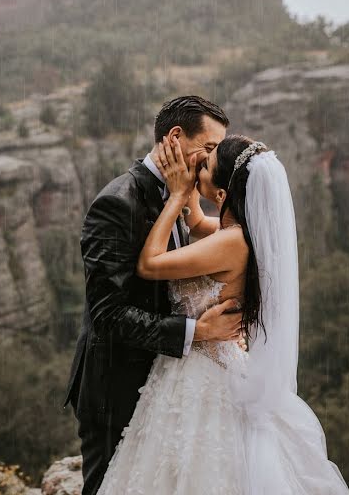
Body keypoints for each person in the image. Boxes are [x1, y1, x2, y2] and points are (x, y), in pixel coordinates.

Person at [95, 132, 349, 494]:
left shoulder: (232, 243)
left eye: (208, 165)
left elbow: (150, 264)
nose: (201, 165)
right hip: (214, 359)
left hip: (199, 369)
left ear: (222, 192)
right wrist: (189, 189)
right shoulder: (240, 231)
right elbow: (199, 225)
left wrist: (179, 196)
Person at [62, 96, 243, 495]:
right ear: (176, 138)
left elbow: (204, 235)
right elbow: (109, 315)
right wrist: (199, 330)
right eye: (209, 149)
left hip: (166, 386)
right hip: (117, 386)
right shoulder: (117, 203)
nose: (212, 162)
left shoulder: (183, 192)